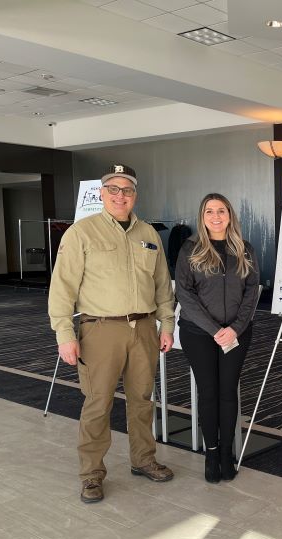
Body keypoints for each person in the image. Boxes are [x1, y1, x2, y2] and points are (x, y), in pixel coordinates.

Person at [48, 164, 175, 504]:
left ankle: (144, 459)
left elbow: (163, 285)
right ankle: (91, 475)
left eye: (127, 190)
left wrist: (167, 323)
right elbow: (61, 289)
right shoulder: (81, 233)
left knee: (142, 401)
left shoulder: (149, 234)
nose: (121, 195)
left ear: (135, 195)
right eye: (114, 190)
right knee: (98, 404)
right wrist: (64, 334)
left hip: (145, 329)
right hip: (101, 330)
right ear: (102, 194)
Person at [175, 193, 260, 483]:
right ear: (202, 216)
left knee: (228, 392)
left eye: (220, 211)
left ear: (229, 215)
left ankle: (226, 453)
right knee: (208, 392)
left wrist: (235, 328)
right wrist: (214, 331)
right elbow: (184, 295)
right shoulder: (190, 249)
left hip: (237, 333)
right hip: (199, 334)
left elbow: (251, 291)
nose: (215, 216)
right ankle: (211, 453)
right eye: (209, 211)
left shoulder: (244, 249)